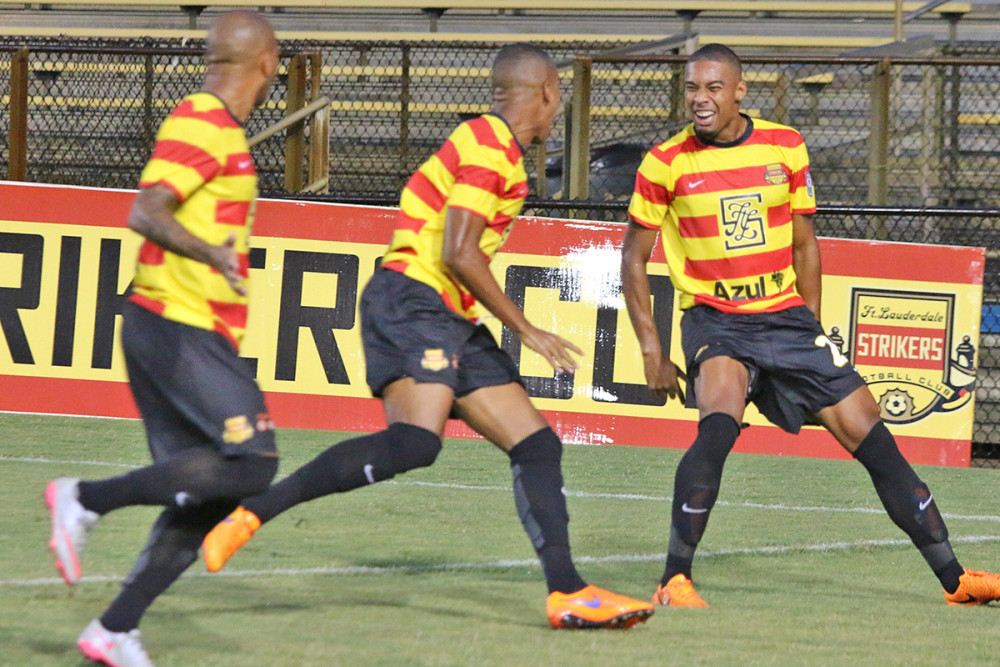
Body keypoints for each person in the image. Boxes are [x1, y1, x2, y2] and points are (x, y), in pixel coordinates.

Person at [201, 43, 654, 630]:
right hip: (415, 299)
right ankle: (251, 512)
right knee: (416, 443)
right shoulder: (490, 146)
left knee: (536, 445)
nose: (556, 112)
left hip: (444, 312)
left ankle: (568, 592)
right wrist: (527, 329)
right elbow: (459, 250)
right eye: (557, 99)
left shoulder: (496, 150)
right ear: (547, 92)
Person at [621, 43, 1000, 609]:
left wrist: (812, 326)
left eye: (713, 88)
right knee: (718, 424)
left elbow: (805, 244)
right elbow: (632, 257)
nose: (701, 99)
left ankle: (956, 580)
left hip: (789, 320)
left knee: (870, 434)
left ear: (739, 90)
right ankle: (675, 579)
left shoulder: (785, 146)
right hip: (716, 319)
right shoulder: (666, 161)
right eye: (693, 88)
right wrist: (651, 349)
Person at [45, 11, 281, 665]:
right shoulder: (203, 121)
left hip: (190, 327)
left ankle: (114, 628)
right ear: (267, 61)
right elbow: (146, 208)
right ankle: (82, 498)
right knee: (255, 461)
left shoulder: (220, 129)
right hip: (177, 322)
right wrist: (210, 251)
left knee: (212, 489)